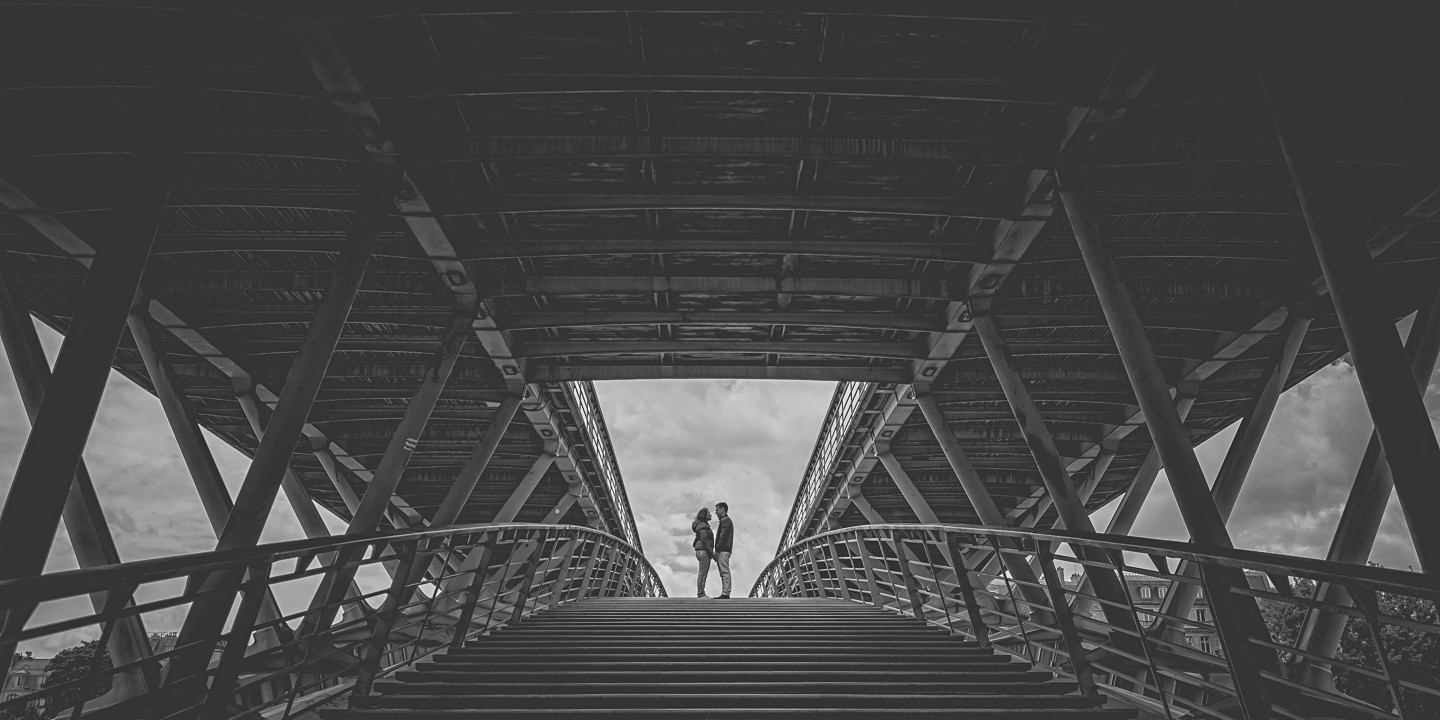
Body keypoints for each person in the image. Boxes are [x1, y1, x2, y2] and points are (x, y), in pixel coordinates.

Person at [691, 507, 715, 598]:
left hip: (701, 551)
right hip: (704, 552)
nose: (711, 514)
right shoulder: (703, 525)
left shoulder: (701, 525)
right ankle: (701, 594)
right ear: (704, 515)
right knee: (702, 573)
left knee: (702, 573)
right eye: (709, 513)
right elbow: (704, 540)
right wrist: (711, 553)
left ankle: (701, 593)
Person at [713, 502, 733, 599]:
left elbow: (722, 536)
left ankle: (726, 593)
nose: (716, 513)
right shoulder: (725, 520)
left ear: (723, 509)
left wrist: (717, 549)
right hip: (724, 549)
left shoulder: (725, 521)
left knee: (724, 571)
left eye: (717, 510)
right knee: (723, 571)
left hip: (723, 550)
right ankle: (725, 591)